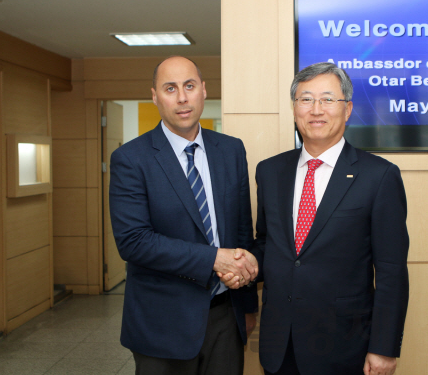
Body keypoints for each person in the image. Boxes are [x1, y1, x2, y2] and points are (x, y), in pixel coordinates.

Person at [236, 62, 409, 375]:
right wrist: (245, 263)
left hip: (344, 345)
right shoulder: (270, 171)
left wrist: (384, 348)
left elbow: (391, 271)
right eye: (305, 99)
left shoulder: (379, 176)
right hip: (280, 344)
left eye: (328, 99)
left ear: (347, 109)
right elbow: (269, 244)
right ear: (294, 109)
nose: (316, 109)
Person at [109, 56, 259, 375]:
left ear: (203, 91)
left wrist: (246, 305)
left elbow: (241, 233)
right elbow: (133, 242)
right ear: (154, 96)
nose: (181, 97)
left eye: (189, 86)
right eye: (170, 88)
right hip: (162, 323)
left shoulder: (231, 150)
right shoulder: (131, 159)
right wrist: (214, 259)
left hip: (224, 318)